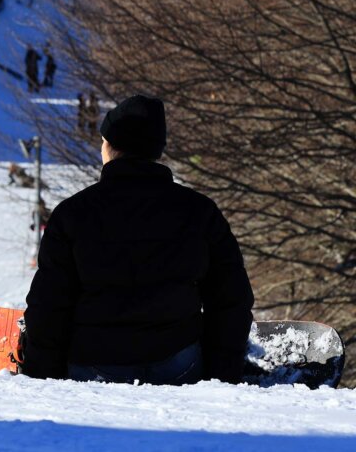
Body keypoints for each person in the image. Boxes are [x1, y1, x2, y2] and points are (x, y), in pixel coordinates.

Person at [21, 95, 254, 386]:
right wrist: (223, 373)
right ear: (156, 148)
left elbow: (49, 306)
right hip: (180, 365)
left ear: (109, 146)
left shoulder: (72, 214)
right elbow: (230, 299)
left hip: (94, 366)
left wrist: (41, 376)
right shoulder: (200, 211)